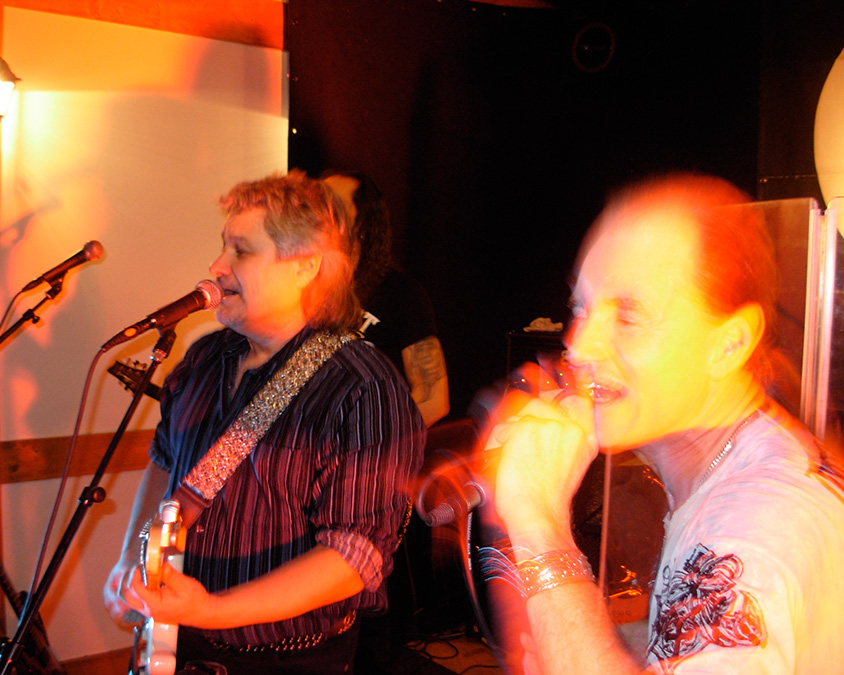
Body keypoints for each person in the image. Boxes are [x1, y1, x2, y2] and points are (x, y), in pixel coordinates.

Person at [488, 173, 844, 673]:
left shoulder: (753, 534)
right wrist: (595, 647)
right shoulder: (748, 460)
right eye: (582, 309)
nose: (579, 346)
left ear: (728, 345)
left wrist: (536, 519)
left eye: (628, 317)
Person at [103, 171, 425, 673]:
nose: (216, 266)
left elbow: (353, 557)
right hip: (180, 642)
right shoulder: (204, 357)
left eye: (242, 250)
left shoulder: (363, 386)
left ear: (305, 267)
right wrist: (133, 559)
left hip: (289, 659)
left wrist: (211, 611)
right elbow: (165, 465)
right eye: (222, 246)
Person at [321, 170, 449, 428]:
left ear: (362, 226)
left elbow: (434, 399)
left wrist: (372, 439)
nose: (320, 214)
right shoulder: (297, 293)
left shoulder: (401, 295)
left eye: (335, 206)